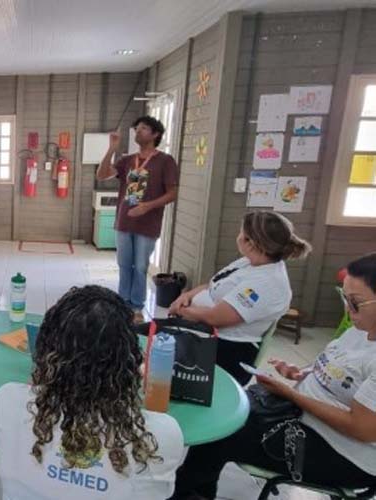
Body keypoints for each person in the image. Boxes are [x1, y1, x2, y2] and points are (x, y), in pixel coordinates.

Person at [170, 253, 376, 499]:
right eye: (345, 298)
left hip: (340, 452)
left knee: (222, 433)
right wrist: (301, 372)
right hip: (298, 412)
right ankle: (193, 491)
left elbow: (361, 428)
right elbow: (338, 369)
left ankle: (187, 491)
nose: (347, 309)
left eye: (355, 302)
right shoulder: (359, 331)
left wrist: (290, 393)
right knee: (221, 414)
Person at [0, 285, 185, 500]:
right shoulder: (162, 435)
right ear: (127, 363)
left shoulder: (8, 401)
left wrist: (43, 380)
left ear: (47, 353)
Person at [168, 211, 311, 385]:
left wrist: (182, 311)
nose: (238, 236)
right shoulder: (250, 262)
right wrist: (187, 295)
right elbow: (213, 284)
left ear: (251, 243)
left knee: (142, 347)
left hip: (226, 351)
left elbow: (216, 318)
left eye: (241, 232)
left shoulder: (267, 282)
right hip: (203, 332)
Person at [96, 116, 179, 320]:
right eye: (136, 128)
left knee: (140, 266)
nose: (137, 131)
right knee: (124, 264)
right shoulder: (127, 160)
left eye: (143, 128)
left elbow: (173, 193)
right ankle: (122, 303)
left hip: (148, 223)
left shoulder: (165, 161)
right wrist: (111, 148)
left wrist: (147, 207)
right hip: (124, 221)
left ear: (155, 134)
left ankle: (136, 306)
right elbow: (101, 174)